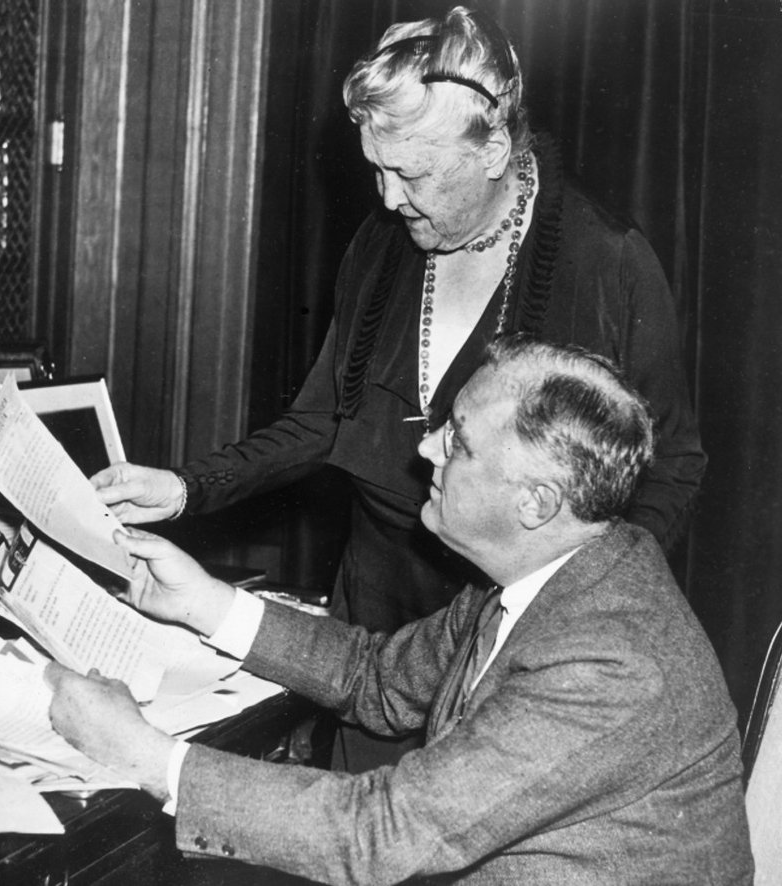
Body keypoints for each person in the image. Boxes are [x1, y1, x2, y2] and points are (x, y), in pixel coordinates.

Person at [91, 7, 704, 649]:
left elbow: (673, 465)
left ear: (493, 150)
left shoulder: (609, 260)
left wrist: (585, 602)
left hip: (519, 635)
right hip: (372, 613)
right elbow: (321, 421)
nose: (386, 198)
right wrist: (186, 488)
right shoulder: (382, 243)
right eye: (376, 170)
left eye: (411, 174)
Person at [48, 337, 751, 884]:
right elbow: (380, 680)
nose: (424, 447)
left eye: (459, 442)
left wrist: (143, 754)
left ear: (535, 503)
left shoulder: (608, 662)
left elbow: (381, 833)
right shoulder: (549, 571)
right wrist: (205, 602)